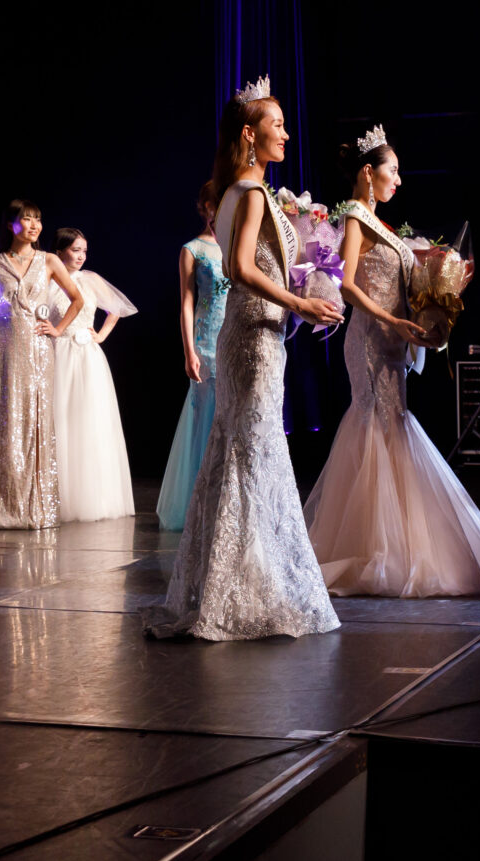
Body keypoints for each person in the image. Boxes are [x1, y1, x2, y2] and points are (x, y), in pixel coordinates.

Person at [147, 78, 344, 641]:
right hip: (253, 338)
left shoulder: (238, 190)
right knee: (253, 452)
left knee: (239, 452)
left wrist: (305, 285)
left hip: (254, 335)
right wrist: (300, 303)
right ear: (250, 135)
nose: (286, 133)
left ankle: (228, 581)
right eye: (276, 125)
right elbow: (239, 268)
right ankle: (247, 588)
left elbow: (265, 262)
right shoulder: (251, 193)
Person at [303, 125, 480, 597]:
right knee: (378, 426)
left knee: (391, 425)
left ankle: (392, 543)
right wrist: (392, 321)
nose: (398, 180)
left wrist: (430, 305)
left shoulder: (381, 223)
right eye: (393, 170)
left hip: (393, 340)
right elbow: (346, 284)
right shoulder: (356, 216)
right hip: (370, 339)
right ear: (368, 172)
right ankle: (377, 549)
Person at [0, 198, 83, 530]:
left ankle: (35, 508)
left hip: (38, 352)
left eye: (37, 219)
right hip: (3, 350)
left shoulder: (49, 260)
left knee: (35, 422)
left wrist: (58, 328)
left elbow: (77, 299)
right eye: (26, 219)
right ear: (10, 224)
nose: (34, 225)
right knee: (5, 423)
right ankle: (2, 507)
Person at [51, 227, 139, 523]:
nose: (81, 256)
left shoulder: (90, 279)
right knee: (61, 421)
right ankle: (60, 496)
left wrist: (101, 335)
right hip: (58, 354)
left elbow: (117, 308)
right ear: (60, 251)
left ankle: (94, 497)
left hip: (87, 357)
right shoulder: (48, 279)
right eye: (75, 250)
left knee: (90, 422)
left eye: (84, 251)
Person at [157, 183, 226, 533]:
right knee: (207, 418)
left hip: (236, 336)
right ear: (205, 206)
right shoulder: (192, 249)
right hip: (207, 339)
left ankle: (227, 501)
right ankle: (202, 503)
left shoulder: (239, 245)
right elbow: (186, 302)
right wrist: (189, 351)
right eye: (216, 204)